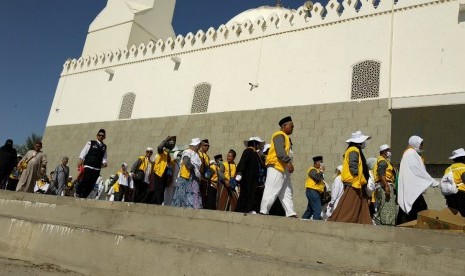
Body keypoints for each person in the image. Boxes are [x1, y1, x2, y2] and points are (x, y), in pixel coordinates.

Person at [329, 131, 372, 224]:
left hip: (357, 182)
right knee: (349, 206)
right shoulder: (353, 150)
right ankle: (341, 221)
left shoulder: (353, 149)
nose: (365, 143)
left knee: (358, 205)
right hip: (354, 182)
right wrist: (356, 174)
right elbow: (353, 164)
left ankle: (364, 222)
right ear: (359, 142)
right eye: (363, 141)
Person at [260, 116, 297, 217]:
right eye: (291, 126)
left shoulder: (286, 137)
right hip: (276, 166)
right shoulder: (279, 134)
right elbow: (280, 151)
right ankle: (264, 211)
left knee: (287, 191)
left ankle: (290, 212)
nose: (292, 128)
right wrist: (288, 162)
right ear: (284, 126)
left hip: (283, 168)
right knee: (271, 189)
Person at [396, 135, 437, 225]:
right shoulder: (411, 153)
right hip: (411, 188)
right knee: (418, 208)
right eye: (420, 144)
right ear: (415, 143)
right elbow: (417, 170)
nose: (422, 146)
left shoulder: (412, 153)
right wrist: (431, 181)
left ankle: (404, 225)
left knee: (410, 208)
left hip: (411, 187)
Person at [234, 137, 265, 214]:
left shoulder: (256, 154)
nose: (259, 146)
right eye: (258, 144)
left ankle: (252, 208)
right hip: (247, 177)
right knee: (247, 192)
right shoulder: (248, 150)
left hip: (254, 178)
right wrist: (239, 173)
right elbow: (243, 162)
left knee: (253, 193)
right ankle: (245, 209)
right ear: (254, 144)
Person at [75, 129, 108, 198]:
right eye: (99, 135)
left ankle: (84, 196)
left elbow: (104, 157)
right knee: (85, 179)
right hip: (88, 165)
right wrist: (81, 159)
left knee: (92, 183)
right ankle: (78, 192)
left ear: (104, 137)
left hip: (97, 168)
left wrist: (104, 163)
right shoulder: (91, 143)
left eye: (103, 135)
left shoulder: (104, 147)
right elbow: (84, 151)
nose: (101, 136)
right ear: (97, 136)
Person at [172, 138, 202, 209]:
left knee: (190, 193)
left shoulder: (197, 154)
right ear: (197, 145)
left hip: (193, 177)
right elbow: (186, 161)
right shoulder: (187, 151)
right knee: (182, 193)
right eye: (199, 145)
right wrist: (192, 167)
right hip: (185, 176)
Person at [373, 144, 397, 225]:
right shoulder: (382, 160)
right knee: (387, 209)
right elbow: (381, 172)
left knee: (381, 208)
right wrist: (386, 185)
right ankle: (387, 227)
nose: (389, 152)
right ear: (383, 152)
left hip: (381, 186)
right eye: (387, 150)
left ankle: (378, 224)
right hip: (384, 185)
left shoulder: (383, 160)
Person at [152, 136, 176, 204]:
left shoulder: (168, 155)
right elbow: (159, 147)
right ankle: (157, 204)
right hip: (159, 173)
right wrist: (166, 140)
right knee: (158, 190)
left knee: (162, 190)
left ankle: (158, 203)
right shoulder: (161, 152)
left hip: (164, 175)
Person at [443, 148, 465, 216]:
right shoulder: (463, 168)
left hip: (450, 195)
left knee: (453, 217)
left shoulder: (448, 169)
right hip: (461, 194)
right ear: (463, 158)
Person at [302, 156, 325, 220]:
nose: (321, 164)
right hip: (312, 191)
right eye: (320, 162)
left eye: (322, 162)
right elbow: (317, 178)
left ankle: (302, 222)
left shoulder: (318, 171)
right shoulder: (312, 169)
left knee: (310, 211)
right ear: (316, 162)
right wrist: (321, 171)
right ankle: (316, 226)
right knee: (317, 209)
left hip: (316, 192)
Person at [198, 139, 211, 207]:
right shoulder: (198, 153)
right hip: (199, 177)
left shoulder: (207, 156)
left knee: (203, 195)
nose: (207, 147)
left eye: (208, 146)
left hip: (205, 178)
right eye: (205, 145)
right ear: (201, 145)